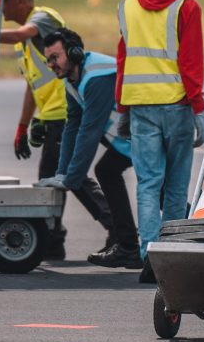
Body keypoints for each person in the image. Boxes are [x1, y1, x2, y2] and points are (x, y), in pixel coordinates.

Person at [115, 0, 204, 283]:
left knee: (148, 183)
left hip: (140, 107)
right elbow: (190, 62)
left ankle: (149, 254)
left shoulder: (127, 6)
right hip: (177, 106)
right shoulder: (186, 6)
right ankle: (169, 255)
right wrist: (198, 108)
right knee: (175, 187)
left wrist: (122, 107)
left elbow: (124, 59)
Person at [0, 0, 113, 259]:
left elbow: (20, 33)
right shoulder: (23, 47)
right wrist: (24, 125)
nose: (0, 9)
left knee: (64, 178)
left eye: (3, 2)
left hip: (67, 111)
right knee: (58, 178)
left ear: (20, 1)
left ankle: (112, 229)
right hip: (52, 116)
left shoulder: (43, 17)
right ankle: (57, 239)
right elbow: (33, 85)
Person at [39, 28, 141, 269]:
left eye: (55, 57)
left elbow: (90, 131)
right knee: (107, 171)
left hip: (146, 137)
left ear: (74, 53)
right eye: (48, 60)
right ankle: (127, 246)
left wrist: (71, 179)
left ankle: (194, 235)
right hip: (129, 139)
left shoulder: (97, 76)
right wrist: (62, 174)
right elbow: (71, 128)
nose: (51, 64)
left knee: (160, 191)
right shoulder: (72, 81)